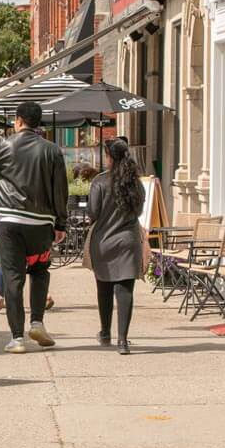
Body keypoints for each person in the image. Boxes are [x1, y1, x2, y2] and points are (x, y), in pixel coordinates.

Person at [0, 101, 68, 354]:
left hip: (9, 222)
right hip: (41, 223)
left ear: (19, 121)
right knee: (40, 271)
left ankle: (17, 338)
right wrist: (61, 222)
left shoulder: (2, 145)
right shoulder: (52, 150)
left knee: (13, 278)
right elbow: (60, 190)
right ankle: (37, 322)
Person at [87, 139, 146, 355]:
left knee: (104, 288)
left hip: (103, 240)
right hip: (128, 241)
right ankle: (123, 340)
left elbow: (92, 212)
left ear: (109, 157)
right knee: (125, 290)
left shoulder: (100, 182)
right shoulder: (136, 183)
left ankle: (105, 332)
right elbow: (139, 211)